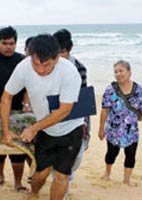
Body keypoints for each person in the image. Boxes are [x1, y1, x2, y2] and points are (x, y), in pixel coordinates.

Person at [1, 34, 84, 200]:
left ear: (57, 58)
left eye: (46, 65)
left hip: (70, 129)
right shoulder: (24, 67)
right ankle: (34, 194)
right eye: (36, 63)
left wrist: (34, 128)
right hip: (46, 131)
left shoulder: (69, 72)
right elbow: (6, 97)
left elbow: (64, 111)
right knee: (41, 173)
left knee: (61, 176)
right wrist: (6, 131)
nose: (40, 69)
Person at [0, 26, 28, 192]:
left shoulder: (23, 61)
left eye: (12, 43)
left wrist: (26, 104)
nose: (9, 46)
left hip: (18, 113)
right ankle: (0, 175)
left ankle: (18, 182)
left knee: (19, 150)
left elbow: (27, 87)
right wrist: (3, 108)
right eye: (4, 43)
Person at [98, 60, 142, 187]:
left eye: (121, 71)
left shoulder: (138, 89)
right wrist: (101, 129)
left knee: (131, 155)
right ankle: (107, 173)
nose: (118, 74)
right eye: (116, 72)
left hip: (131, 130)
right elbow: (105, 110)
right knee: (111, 153)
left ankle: (127, 179)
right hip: (114, 129)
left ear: (129, 72)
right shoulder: (110, 90)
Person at [53, 28, 90, 197]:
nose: (60, 57)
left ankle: (66, 179)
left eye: (63, 52)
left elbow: (81, 99)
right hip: (54, 117)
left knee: (77, 156)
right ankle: (62, 188)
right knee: (57, 156)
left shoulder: (79, 68)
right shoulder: (48, 66)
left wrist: (82, 124)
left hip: (77, 117)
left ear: (70, 49)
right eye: (57, 52)